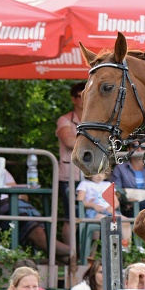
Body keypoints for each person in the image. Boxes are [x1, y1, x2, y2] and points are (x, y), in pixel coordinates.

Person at [0, 134, 70, 261]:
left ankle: (64, 254)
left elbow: (21, 193)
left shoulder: (1, 170)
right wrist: (0, 190)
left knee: (37, 222)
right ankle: (70, 251)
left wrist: (5, 190)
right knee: (32, 226)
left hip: (16, 205)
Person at [56, 82, 86, 244]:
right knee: (71, 216)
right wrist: (92, 139)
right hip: (69, 176)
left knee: (94, 215)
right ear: (73, 99)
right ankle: (70, 254)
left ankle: (88, 256)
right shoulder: (64, 120)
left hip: (91, 176)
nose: (84, 100)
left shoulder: (96, 119)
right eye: (80, 96)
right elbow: (68, 141)